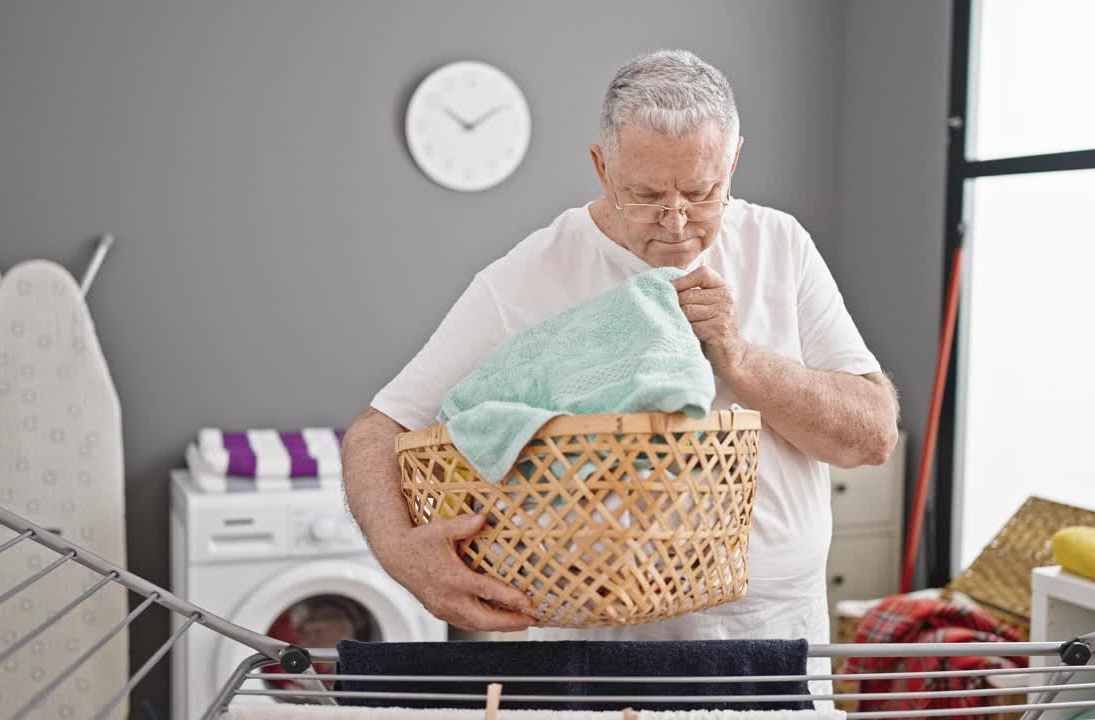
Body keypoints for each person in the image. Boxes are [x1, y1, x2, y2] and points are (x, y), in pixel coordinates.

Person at [341, 49, 898, 695]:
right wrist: (402, 554)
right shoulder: (529, 274)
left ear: (734, 161)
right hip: (595, 652)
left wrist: (738, 359)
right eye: (646, 196)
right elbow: (377, 430)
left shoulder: (780, 244)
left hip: (771, 639)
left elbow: (872, 434)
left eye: (700, 192)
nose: (676, 223)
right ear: (602, 166)